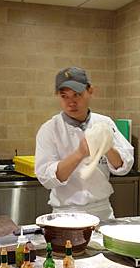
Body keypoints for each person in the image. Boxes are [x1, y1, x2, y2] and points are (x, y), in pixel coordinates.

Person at [35, 67, 134, 220]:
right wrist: (79, 154)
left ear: (90, 90)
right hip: (65, 214)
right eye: (64, 96)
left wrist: (107, 147)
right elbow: (46, 178)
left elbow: (124, 166)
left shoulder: (105, 123)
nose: (71, 102)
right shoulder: (49, 129)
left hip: (102, 212)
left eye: (77, 94)